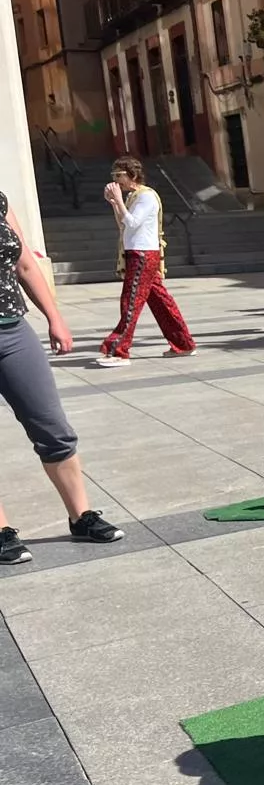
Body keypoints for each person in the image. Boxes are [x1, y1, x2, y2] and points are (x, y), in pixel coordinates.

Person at [0, 190, 126, 565]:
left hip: (12, 330)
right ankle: (2, 531)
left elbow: (23, 264)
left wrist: (55, 317)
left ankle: (81, 516)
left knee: (52, 426)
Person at [95, 155, 196, 366]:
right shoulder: (133, 196)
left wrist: (120, 201)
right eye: (114, 175)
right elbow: (123, 224)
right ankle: (183, 343)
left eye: (119, 175)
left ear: (132, 175)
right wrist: (115, 203)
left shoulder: (146, 196)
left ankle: (118, 350)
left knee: (130, 301)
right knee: (161, 302)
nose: (116, 180)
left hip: (143, 254)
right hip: (136, 252)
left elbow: (132, 223)